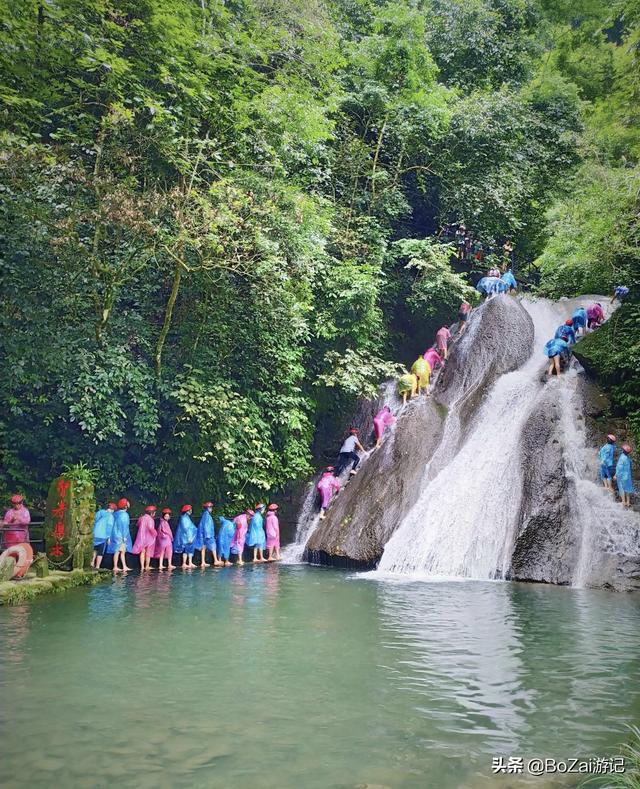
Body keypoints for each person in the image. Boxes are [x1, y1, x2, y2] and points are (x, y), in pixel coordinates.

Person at [107, 498, 133, 573]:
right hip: (121, 535)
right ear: (125, 506)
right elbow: (124, 526)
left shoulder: (115, 513)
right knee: (121, 551)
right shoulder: (125, 515)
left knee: (118, 551)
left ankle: (120, 566)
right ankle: (118, 566)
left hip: (114, 534)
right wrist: (124, 536)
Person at [194, 501, 222, 568]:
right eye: (210, 507)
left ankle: (203, 562)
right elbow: (207, 526)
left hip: (203, 534)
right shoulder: (207, 515)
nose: (211, 509)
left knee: (203, 547)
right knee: (213, 546)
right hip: (207, 535)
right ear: (208, 508)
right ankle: (215, 560)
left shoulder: (205, 515)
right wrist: (208, 535)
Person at [132, 505, 158, 571]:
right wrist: (155, 533)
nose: (155, 514)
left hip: (141, 537)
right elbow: (150, 528)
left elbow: (137, 524)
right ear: (151, 513)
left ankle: (142, 567)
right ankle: (147, 566)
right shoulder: (150, 519)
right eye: (154, 512)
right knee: (148, 553)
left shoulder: (141, 518)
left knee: (142, 552)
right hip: (149, 538)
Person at [91, 502, 116, 569]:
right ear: (113, 510)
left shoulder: (100, 512)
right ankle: (97, 566)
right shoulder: (111, 516)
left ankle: (92, 563)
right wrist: (108, 537)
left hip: (95, 533)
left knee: (94, 549)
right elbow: (109, 527)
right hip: (103, 536)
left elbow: (95, 520)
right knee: (100, 551)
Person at [174, 504, 197, 569]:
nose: (191, 511)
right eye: (190, 510)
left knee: (189, 550)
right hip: (186, 537)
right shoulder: (184, 518)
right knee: (186, 550)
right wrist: (189, 537)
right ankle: (184, 563)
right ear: (187, 511)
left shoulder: (186, 518)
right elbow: (186, 529)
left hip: (188, 537)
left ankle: (189, 562)